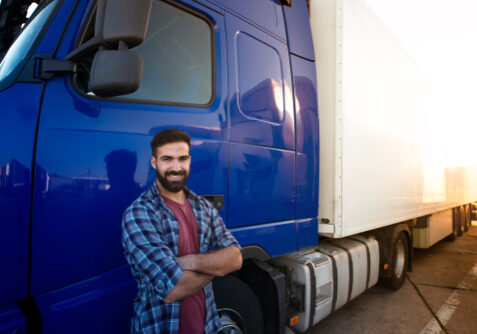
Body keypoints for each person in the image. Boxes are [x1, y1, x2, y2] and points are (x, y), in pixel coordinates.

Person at [122, 129, 242, 334]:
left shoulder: (202, 207)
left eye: (182, 159)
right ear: (154, 162)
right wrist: (218, 266)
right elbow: (173, 289)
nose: (176, 167)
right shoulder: (139, 213)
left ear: (189, 161)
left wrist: (191, 262)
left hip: (208, 327)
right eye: (167, 159)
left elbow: (236, 258)